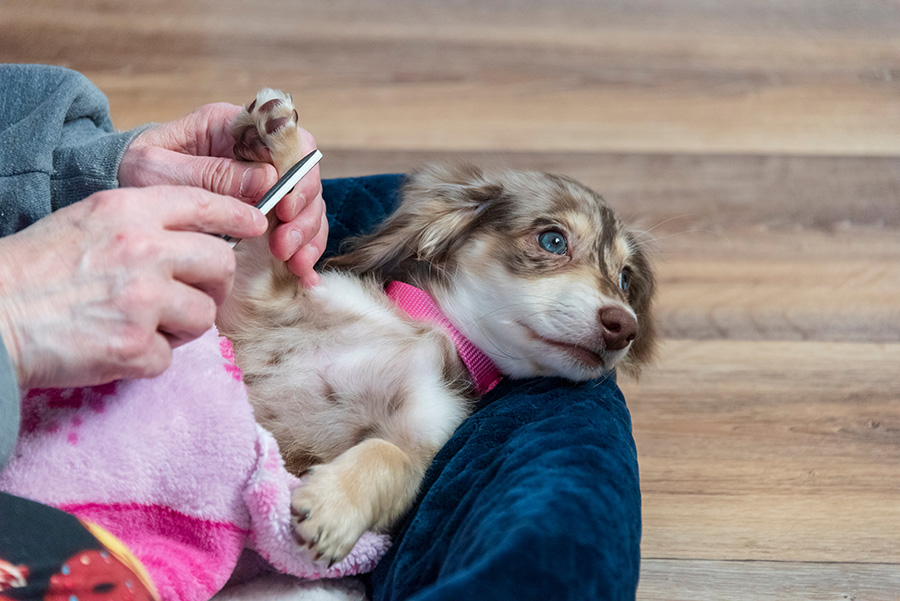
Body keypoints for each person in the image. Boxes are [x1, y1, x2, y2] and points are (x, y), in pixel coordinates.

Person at [1, 65, 643, 601]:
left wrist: (361, 486)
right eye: (553, 243)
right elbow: (249, 296)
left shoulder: (440, 406)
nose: (616, 311)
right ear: (452, 230)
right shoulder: (343, 293)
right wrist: (272, 175)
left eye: (620, 280)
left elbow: (400, 463)